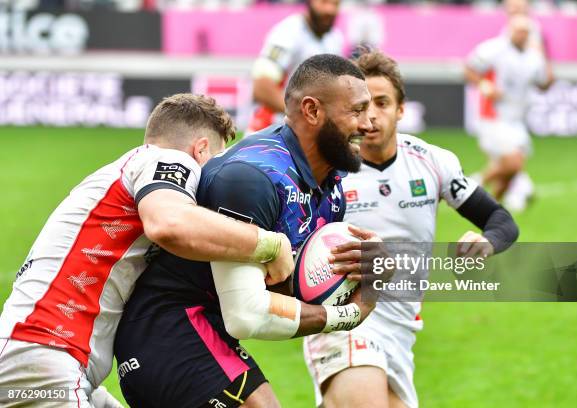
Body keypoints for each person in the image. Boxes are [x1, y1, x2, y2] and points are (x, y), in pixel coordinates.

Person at [114, 54, 383, 408]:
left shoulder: (331, 183)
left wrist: (365, 269)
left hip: (206, 328)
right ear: (312, 111)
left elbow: (287, 284)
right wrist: (350, 314)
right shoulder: (252, 179)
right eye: (358, 110)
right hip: (167, 330)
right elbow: (247, 314)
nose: (370, 122)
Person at [0, 93, 294, 407]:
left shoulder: (125, 169)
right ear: (202, 148)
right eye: (218, 161)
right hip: (45, 356)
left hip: (41, 357)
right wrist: (268, 244)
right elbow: (169, 223)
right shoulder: (168, 159)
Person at [303, 50, 520, 408]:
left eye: (382, 103)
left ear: (401, 109)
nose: (370, 116)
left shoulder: (432, 162)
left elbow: (502, 221)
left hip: (402, 326)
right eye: (360, 106)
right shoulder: (326, 169)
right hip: (343, 315)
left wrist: (486, 242)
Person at [466, 15, 554, 211]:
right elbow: (469, 69)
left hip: (517, 119)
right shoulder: (494, 49)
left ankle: (492, 209)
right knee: (513, 163)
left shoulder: (534, 56)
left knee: (513, 169)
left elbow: (545, 84)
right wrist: (484, 84)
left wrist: (546, 58)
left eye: (525, 32)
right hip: (494, 115)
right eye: (518, 31)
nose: (521, 35)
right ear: (510, 31)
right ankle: (474, 183)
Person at [248, 0, 343, 133]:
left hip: (305, 134)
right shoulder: (287, 33)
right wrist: (303, 115)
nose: (330, 10)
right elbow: (261, 88)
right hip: (270, 133)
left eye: (335, 4)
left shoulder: (335, 39)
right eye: (324, 2)